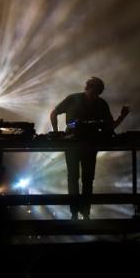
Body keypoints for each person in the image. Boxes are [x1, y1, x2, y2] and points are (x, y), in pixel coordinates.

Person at [50, 77, 130, 220]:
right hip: (73, 143)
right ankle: (75, 213)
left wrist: (122, 116)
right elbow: (54, 113)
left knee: (87, 179)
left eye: (97, 93)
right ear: (87, 88)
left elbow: (110, 127)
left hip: (89, 144)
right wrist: (56, 132)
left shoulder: (101, 104)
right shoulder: (73, 98)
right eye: (93, 92)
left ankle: (84, 212)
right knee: (74, 178)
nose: (94, 96)